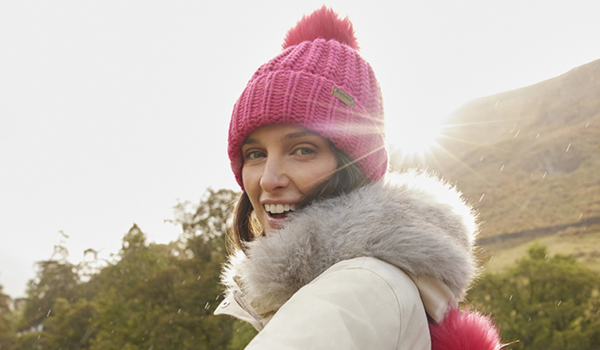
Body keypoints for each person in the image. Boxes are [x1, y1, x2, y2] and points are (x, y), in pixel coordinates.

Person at [214, 7, 501, 350]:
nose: (268, 179)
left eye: (302, 150)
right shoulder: (366, 282)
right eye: (255, 154)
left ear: (356, 164)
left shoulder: (360, 288)